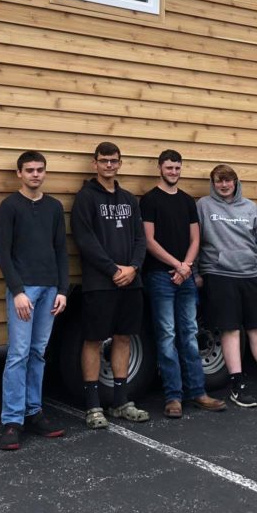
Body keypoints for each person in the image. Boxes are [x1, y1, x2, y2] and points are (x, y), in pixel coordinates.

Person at [197, 164, 257, 407]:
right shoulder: (203, 206)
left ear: (236, 182)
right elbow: (194, 240)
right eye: (219, 181)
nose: (224, 185)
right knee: (230, 330)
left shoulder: (250, 208)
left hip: (252, 275)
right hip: (219, 274)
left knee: (256, 328)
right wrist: (197, 272)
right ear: (213, 183)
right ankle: (237, 385)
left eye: (228, 181)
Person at [140, 150, 227, 418]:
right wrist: (176, 266)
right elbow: (149, 241)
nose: (173, 172)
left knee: (189, 335)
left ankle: (198, 392)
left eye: (177, 168)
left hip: (185, 277)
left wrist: (186, 266)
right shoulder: (149, 200)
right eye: (169, 167)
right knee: (166, 336)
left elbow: (195, 239)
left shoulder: (188, 201)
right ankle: (173, 397)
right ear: (159, 168)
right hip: (159, 276)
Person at [71, 141, 150, 428]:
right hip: (99, 284)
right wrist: (112, 269)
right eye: (103, 160)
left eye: (113, 161)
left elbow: (140, 239)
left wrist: (133, 268)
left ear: (119, 163)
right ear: (95, 163)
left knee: (124, 337)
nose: (108, 165)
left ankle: (121, 401)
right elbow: (85, 239)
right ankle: (93, 407)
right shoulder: (85, 198)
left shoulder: (129, 199)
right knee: (93, 340)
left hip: (131, 282)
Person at [0, 150, 70, 451]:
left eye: (40, 170)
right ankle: (12, 422)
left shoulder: (54, 207)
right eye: (29, 170)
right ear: (19, 174)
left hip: (50, 289)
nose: (35, 174)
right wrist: (17, 291)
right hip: (24, 291)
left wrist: (63, 289)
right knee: (18, 354)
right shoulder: (9, 206)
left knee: (38, 352)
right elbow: (2, 252)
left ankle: (34, 413)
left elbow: (61, 251)